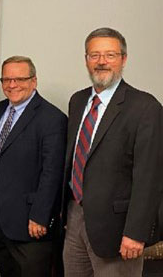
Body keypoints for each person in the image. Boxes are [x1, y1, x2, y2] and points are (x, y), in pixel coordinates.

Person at [61, 28, 163, 277]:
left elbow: (149, 177)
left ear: (123, 59)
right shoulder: (77, 101)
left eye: (110, 55)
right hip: (75, 217)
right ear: (86, 60)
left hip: (119, 229)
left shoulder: (145, 107)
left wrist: (136, 233)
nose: (102, 62)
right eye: (94, 55)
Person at [0, 55, 67, 277]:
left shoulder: (52, 118)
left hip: (31, 224)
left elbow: (53, 172)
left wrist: (40, 216)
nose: (12, 85)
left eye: (20, 79)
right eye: (7, 79)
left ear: (34, 81)